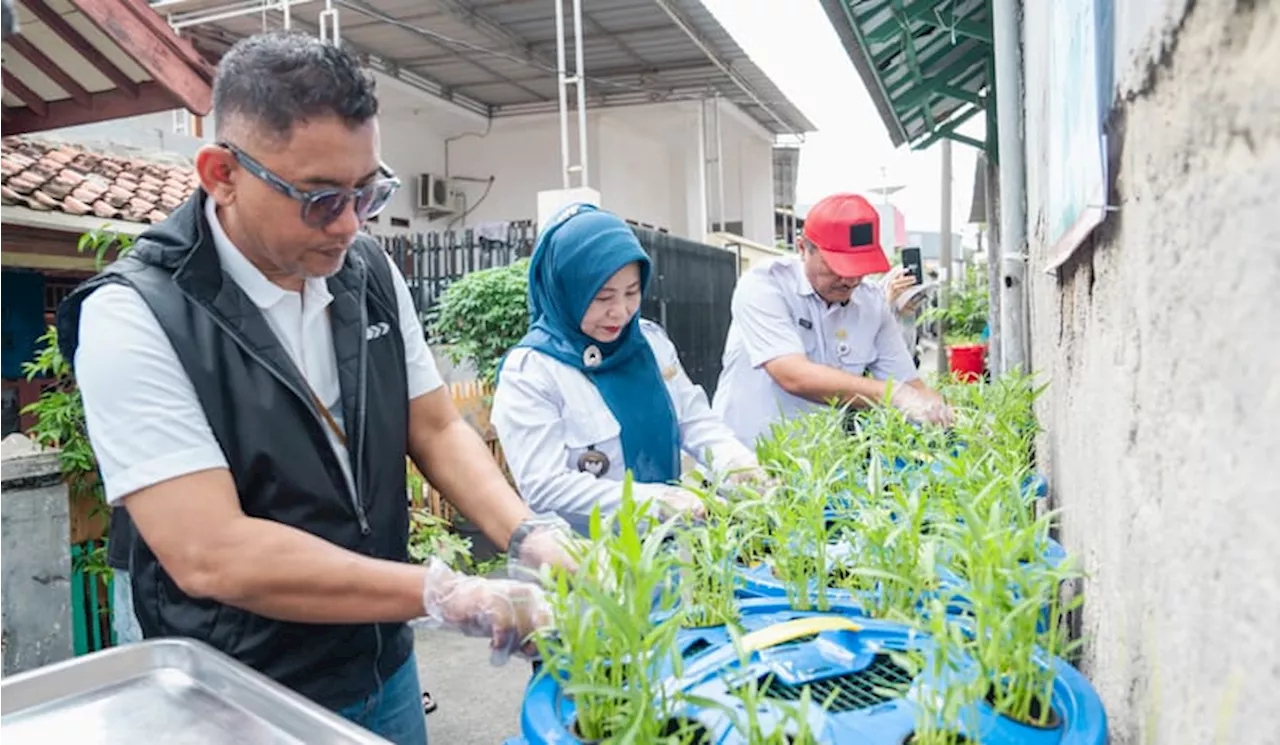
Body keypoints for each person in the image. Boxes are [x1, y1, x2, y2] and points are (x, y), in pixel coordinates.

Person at [55, 31, 570, 745]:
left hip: (380, 667)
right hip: (240, 693)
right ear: (220, 173)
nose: (352, 223)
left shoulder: (366, 272)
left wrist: (526, 532)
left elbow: (435, 424)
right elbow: (211, 550)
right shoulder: (136, 314)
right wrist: (444, 591)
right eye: (321, 198)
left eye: (368, 191)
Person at [490, 204, 766, 537]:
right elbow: (544, 485)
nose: (620, 311)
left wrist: (737, 464)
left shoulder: (650, 344)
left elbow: (694, 422)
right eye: (602, 297)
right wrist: (653, 501)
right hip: (584, 564)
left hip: (667, 545)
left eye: (631, 293)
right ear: (565, 290)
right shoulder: (532, 372)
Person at [711, 193, 953, 447]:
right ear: (803, 248)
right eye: (837, 267)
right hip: (746, 465)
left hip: (821, 469)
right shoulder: (765, 287)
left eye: (859, 268)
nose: (850, 280)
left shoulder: (871, 305)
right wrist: (893, 394)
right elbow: (793, 375)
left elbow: (912, 385)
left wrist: (960, 420)